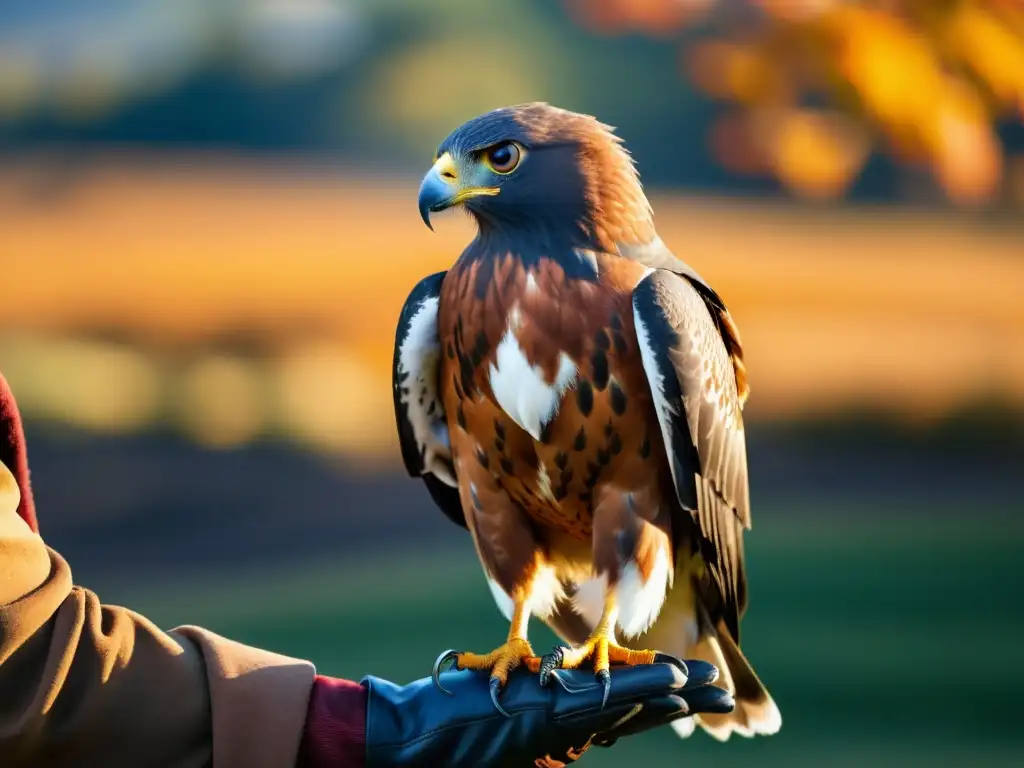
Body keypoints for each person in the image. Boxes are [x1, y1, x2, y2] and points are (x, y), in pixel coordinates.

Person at [0, 372, 733, 767]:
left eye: (495, 162)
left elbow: (28, 666)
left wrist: (361, 731)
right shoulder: (444, 313)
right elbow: (29, 669)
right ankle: (524, 637)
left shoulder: (654, 303)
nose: (443, 184)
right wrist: (376, 732)